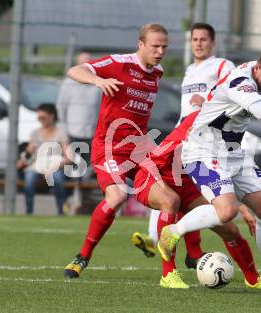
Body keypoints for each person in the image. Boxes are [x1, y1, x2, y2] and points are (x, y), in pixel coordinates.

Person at [158, 47, 261, 294]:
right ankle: (171, 233)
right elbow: (260, 108)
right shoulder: (240, 81)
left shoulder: (255, 73)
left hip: (233, 152)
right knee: (226, 212)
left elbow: (254, 107)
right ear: (258, 69)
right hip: (202, 153)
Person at [63, 23, 169, 279]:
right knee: (118, 196)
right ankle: (82, 256)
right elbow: (74, 70)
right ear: (141, 44)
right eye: (155, 46)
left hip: (138, 149)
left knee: (172, 193)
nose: (160, 51)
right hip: (109, 147)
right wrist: (97, 80)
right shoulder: (119, 63)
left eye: (164, 46)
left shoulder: (158, 72)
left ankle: (177, 254)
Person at [133, 111, 261, 289]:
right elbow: (154, 162)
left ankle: (253, 279)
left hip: (187, 187)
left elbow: (223, 181)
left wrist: (244, 210)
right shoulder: (193, 128)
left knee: (229, 228)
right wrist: (166, 191)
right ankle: (168, 274)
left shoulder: (226, 134)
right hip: (153, 176)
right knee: (171, 201)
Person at [131, 22, 235, 267]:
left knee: (188, 192)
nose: (198, 43)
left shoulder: (221, 66)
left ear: (213, 43)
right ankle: (168, 242)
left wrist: (208, 100)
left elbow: (236, 93)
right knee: (168, 187)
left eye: (203, 39)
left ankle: (180, 245)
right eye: (194, 39)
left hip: (205, 139)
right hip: (182, 135)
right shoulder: (190, 70)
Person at [17, 103, 70, 215]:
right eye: (39, 117)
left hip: (55, 166)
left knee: (58, 179)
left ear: (52, 116)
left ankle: (61, 212)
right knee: (29, 179)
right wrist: (21, 161)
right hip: (37, 165)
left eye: (43, 117)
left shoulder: (61, 133)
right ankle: (29, 213)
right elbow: (29, 151)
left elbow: (68, 157)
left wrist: (54, 166)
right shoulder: (35, 133)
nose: (40, 120)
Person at [56, 51, 101, 172]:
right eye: (82, 64)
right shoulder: (68, 84)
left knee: (89, 170)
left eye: (88, 64)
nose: (86, 67)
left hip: (92, 134)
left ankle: (83, 190)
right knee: (71, 168)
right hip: (72, 134)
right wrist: (64, 131)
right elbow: (61, 108)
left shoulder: (99, 84)